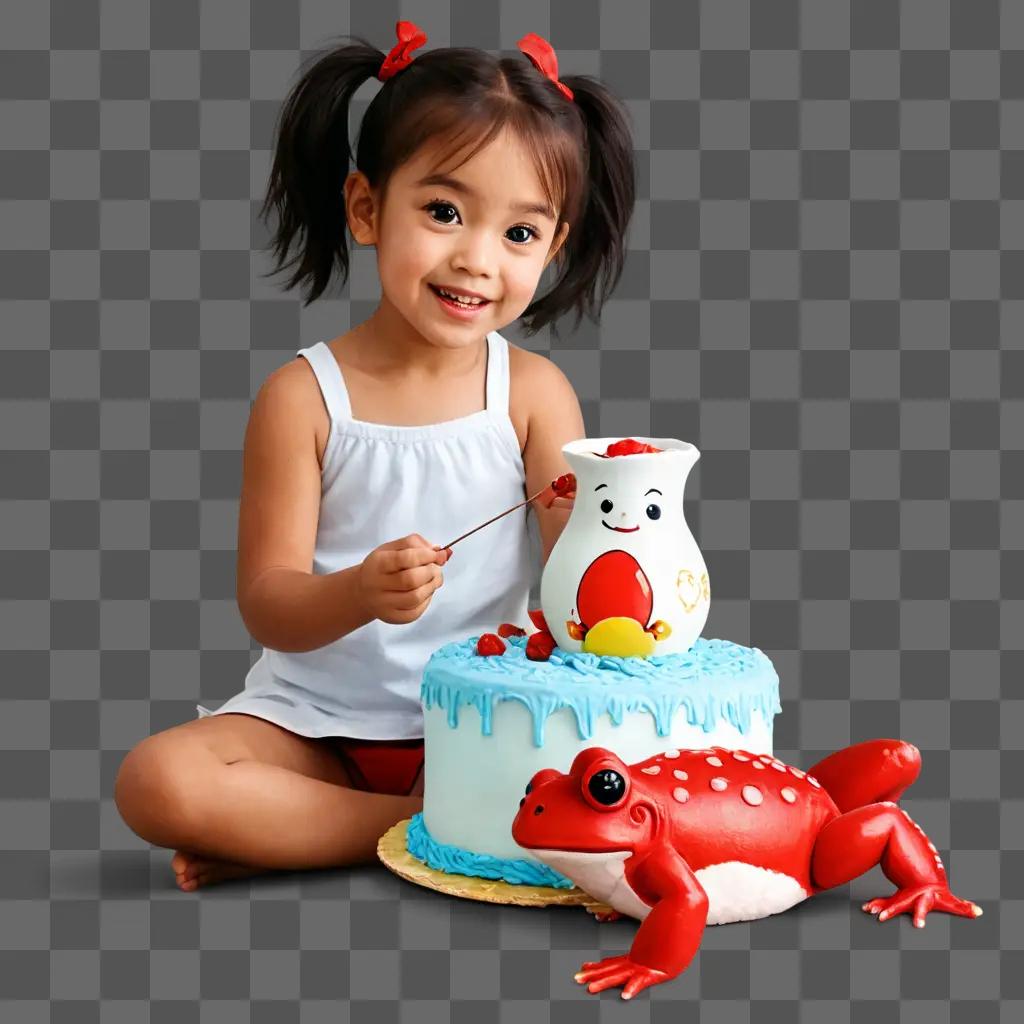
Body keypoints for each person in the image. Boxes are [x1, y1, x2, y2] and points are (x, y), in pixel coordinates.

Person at [114, 22, 635, 891]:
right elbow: (270, 607)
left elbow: (575, 583)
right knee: (155, 781)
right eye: (444, 212)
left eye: (519, 234)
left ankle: (310, 836)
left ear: (554, 246)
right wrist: (360, 591)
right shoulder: (303, 398)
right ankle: (424, 830)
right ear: (366, 208)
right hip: (310, 730)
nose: (475, 258)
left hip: (473, 728)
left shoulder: (533, 392)